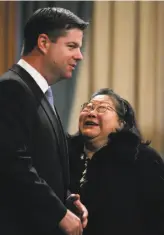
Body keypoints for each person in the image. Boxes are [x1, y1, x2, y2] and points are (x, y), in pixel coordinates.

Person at [0, 7, 88, 235]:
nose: (79, 55)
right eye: (72, 46)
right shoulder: (11, 88)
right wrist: (57, 213)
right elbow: (12, 164)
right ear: (43, 42)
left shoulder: (39, 91)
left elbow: (43, 163)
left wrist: (66, 198)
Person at [68, 88, 164, 235]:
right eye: (88, 107)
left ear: (121, 123)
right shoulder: (64, 154)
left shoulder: (144, 159)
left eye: (102, 108)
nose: (91, 113)